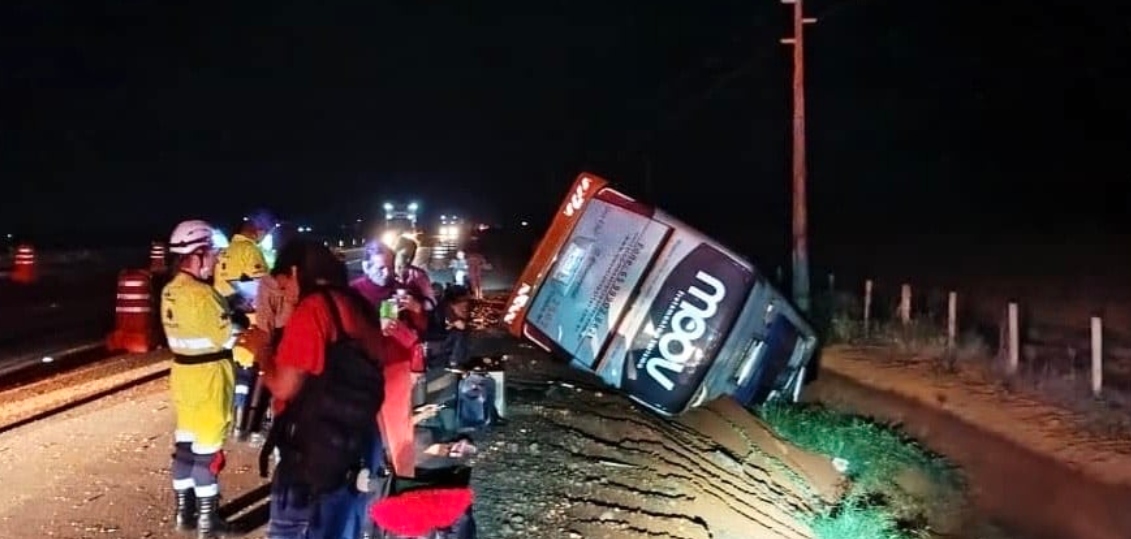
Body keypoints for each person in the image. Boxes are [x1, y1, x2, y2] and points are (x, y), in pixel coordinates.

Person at [258, 239, 416, 539]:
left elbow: (284, 387)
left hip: (311, 454)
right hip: (357, 445)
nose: (286, 297)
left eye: (284, 286)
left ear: (295, 272)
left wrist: (262, 350)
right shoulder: (360, 306)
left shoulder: (314, 308)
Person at [161, 219, 249, 538]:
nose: (215, 259)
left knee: (185, 447)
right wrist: (238, 321)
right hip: (210, 378)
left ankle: (183, 513)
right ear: (196, 254)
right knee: (209, 453)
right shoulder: (203, 294)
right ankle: (207, 522)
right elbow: (227, 338)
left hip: (183, 376)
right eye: (211, 252)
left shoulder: (170, 291)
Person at [214, 212, 274, 440]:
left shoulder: (225, 252)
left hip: (229, 317)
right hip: (251, 317)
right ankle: (248, 426)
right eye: (263, 231)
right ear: (255, 230)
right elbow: (261, 285)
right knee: (253, 373)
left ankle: (235, 422)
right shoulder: (249, 250)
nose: (263, 236)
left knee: (238, 372)